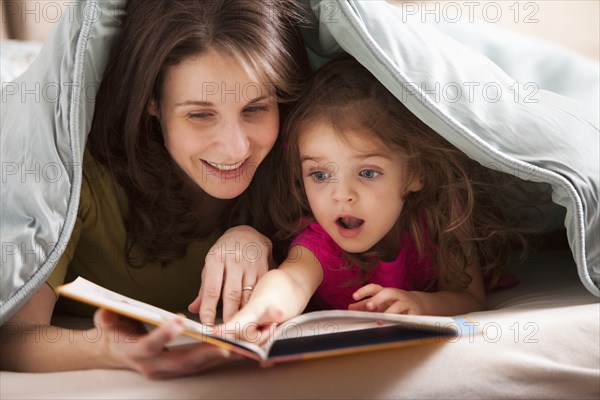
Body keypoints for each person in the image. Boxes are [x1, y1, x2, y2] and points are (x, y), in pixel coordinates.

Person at [1, 0, 310, 378]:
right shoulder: (73, 174)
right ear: (151, 102)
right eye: (200, 114)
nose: (235, 148)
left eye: (256, 108)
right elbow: (13, 336)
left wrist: (252, 237)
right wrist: (109, 349)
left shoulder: (305, 163)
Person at [223, 57, 524, 342]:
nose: (342, 195)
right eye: (319, 175)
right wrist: (257, 311)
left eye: (367, 172)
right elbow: (291, 281)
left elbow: (469, 297)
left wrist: (418, 305)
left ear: (413, 172)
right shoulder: (319, 242)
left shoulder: (441, 218)